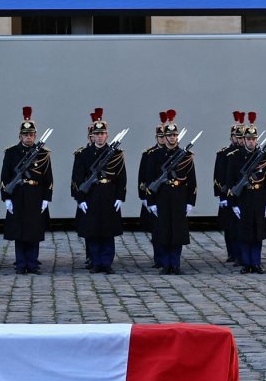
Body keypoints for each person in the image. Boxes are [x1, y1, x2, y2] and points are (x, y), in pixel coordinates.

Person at [71, 108, 127, 273]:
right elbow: (77, 178)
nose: (100, 136)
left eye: (103, 133)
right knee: (93, 231)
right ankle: (95, 262)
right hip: (91, 195)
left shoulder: (115, 154)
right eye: (97, 133)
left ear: (107, 136)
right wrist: (80, 199)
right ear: (92, 136)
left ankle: (106, 262)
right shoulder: (83, 154)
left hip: (109, 194)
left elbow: (121, 177)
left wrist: (120, 197)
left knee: (108, 231)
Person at [139, 112, 195, 274]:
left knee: (177, 233)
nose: (171, 138)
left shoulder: (185, 156)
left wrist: (190, 201)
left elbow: (192, 181)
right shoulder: (155, 156)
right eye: (169, 135)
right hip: (162, 198)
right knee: (163, 232)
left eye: (174, 135)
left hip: (179, 198)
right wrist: (151, 201)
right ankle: (165, 264)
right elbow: (149, 180)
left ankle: (175, 264)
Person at [0, 108, 53, 274]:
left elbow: (48, 178)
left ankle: (32, 262)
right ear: (20, 136)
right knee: (19, 230)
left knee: (34, 230)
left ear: (35, 136)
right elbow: (4, 176)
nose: (28, 137)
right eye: (25, 135)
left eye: (31, 135)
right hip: (17, 193)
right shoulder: (11, 153)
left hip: (35, 194)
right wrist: (6, 197)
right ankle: (21, 262)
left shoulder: (43, 154)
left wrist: (46, 198)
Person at [230, 119, 266, 274]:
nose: (251, 142)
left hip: (259, 197)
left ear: (257, 140)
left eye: (253, 139)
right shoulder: (235, 157)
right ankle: (246, 263)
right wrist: (233, 203)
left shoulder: (263, 156)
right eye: (248, 139)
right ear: (243, 140)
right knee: (244, 233)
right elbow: (232, 182)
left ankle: (256, 262)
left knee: (258, 232)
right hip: (243, 197)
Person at [214, 115, 248, 264]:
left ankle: (241, 254)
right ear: (231, 137)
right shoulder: (224, 153)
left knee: (242, 226)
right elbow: (218, 175)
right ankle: (232, 252)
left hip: (244, 195)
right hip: (227, 193)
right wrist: (221, 194)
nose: (238, 139)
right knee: (230, 227)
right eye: (236, 136)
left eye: (241, 136)